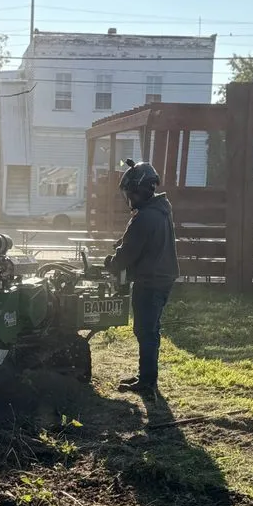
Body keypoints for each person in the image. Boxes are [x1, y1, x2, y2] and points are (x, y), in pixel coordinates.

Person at [104, 158, 179, 399]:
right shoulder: (161, 209)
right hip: (163, 276)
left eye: (130, 193)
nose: (129, 199)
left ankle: (147, 381)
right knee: (151, 329)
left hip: (150, 279)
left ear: (139, 190)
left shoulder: (145, 217)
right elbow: (140, 242)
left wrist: (112, 264)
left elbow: (127, 253)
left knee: (145, 330)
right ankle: (147, 376)